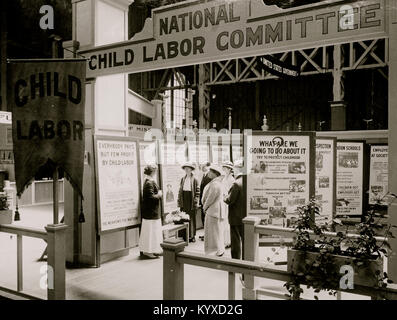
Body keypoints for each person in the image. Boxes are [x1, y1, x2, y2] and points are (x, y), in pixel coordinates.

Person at [224, 160, 246, 260]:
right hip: (245, 217)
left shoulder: (236, 184)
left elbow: (229, 200)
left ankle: (236, 261)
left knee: (236, 241)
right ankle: (246, 259)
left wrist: (225, 197)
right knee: (245, 240)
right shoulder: (246, 182)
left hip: (235, 217)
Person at [139, 165, 163, 259]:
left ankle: (153, 249)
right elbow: (150, 198)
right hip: (151, 213)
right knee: (150, 232)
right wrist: (159, 195)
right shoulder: (149, 182)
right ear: (152, 172)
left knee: (152, 232)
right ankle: (148, 251)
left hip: (152, 212)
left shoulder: (149, 181)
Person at [202, 166, 225, 256]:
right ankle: (219, 249)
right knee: (216, 231)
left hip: (213, 211)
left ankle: (215, 250)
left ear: (214, 174)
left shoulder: (215, 184)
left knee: (213, 232)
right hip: (215, 211)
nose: (209, 173)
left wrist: (204, 207)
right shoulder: (217, 183)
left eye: (210, 172)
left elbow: (210, 198)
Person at [177, 162, 200, 242]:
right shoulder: (183, 179)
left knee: (191, 218)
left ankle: (192, 236)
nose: (186, 170)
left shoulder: (195, 179)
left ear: (191, 169)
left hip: (191, 200)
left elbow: (197, 191)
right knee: (183, 217)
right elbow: (180, 190)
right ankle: (184, 236)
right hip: (184, 199)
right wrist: (179, 201)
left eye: (188, 168)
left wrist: (195, 201)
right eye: (185, 168)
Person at [221, 161, 235, 248]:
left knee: (227, 222)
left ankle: (229, 241)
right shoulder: (224, 178)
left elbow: (231, 193)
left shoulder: (232, 179)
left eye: (226, 168)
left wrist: (226, 197)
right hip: (223, 201)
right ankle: (224, 241)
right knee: (223, 222)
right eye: (224, 168)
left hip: (227, 202)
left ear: (230, 169)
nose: (224, 169)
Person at [199, 162, 212, 241]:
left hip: (206, 201)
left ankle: (208, 235)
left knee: (206, 218)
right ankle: (205, 233)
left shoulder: (208, 176)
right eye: (201, 166)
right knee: (203, 218)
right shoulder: (204, 176)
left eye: (204, 166)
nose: (202, 168)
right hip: (203, 200)